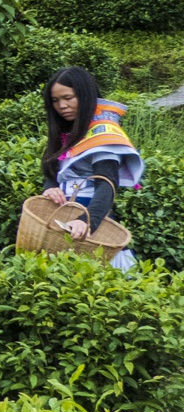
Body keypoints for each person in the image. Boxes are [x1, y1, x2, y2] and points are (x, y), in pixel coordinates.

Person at [40, 66, 142, 269]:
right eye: (55, 100)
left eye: (68, 98)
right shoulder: (68, 133)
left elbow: (107, 185)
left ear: (85, 96)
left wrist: (87, 221)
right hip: (65, 218)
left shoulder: (102, 134)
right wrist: (49, 188)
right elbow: (54, 172)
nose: (62, 105)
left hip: (91, 220)